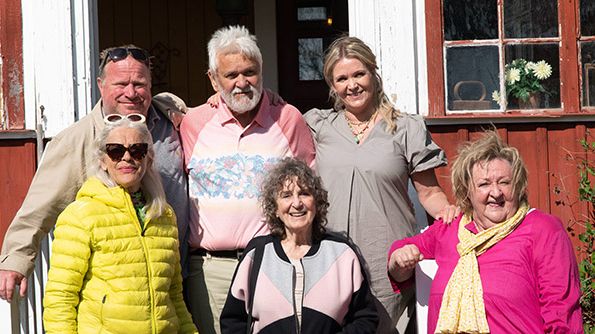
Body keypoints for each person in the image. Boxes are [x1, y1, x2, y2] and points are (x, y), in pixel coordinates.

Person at [0, 45, 190, 303]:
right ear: (100, 85)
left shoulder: (171, 121)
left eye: (139, 83)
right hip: (114, 298)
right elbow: (38, 207)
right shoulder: (77, 140)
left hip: (176, 281)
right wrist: (16, 259)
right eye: (121, 83)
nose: (131, 93)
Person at [303, 36, 458, 333]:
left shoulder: (405, 127)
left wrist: (449, 214)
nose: (352, 85)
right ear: (332, 85)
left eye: (359, 74)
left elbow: (429, 193)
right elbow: (277, 120)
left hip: (388, 262)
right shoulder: (318, 126)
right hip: (329, 258)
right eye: (342, 78)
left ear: (373, 73)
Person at [179, 26, 315, 334]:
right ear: (214, 79)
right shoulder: (193, 122)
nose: (242, 83)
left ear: (261, 71)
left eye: (250, 72)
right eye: (231, 75)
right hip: (212, 270)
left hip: (276, 262)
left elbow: (310, 188)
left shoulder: (288, 118)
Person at [387, 131, 584, 333]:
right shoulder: (451, 228)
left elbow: (561, 311)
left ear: (518, 186)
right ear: (467, 191)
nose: (496, 192)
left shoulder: (542, 229)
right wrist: (399, 260)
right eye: (484, 184)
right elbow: (400, 257)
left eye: (505, 182)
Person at [43, 116, 197, 333]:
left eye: (137, 150)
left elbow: (173, 296)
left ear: (148, 159)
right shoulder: (81, 215)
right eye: (115, 150)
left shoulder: (164, 215)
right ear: (103, 161)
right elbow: (61, 296)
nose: (127, 157)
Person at [220, 158, 378, 333]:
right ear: (275, 209)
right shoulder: (257, 254)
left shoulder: (342, 254)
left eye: (304, 193)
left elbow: (365, 318)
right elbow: (233, 321)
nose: (297, 203)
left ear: (316, 203)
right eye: (286, 195)